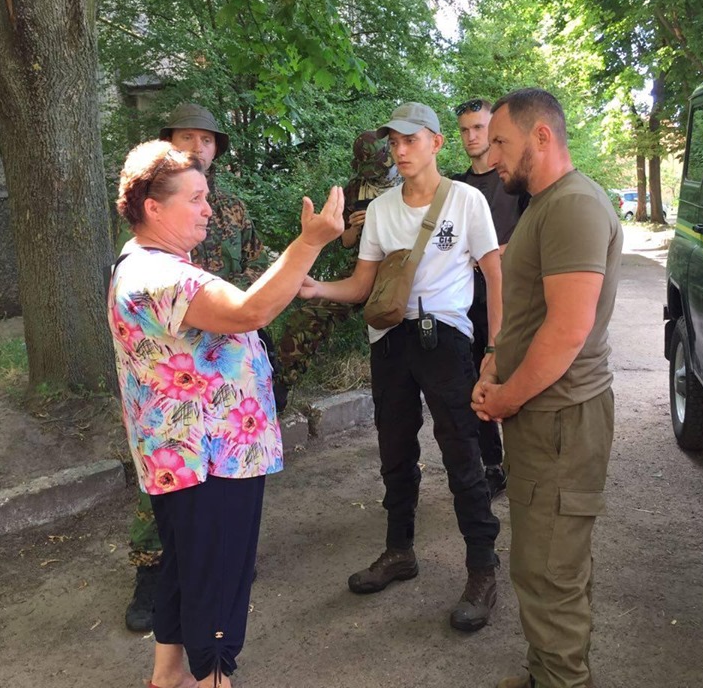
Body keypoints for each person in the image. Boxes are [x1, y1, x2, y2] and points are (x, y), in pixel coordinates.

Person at [109, 140, 343, 688]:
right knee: (216, 597)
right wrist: (309, 244)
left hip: (192, 462)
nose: (209, 209)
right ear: (153, 208)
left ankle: (167, 679)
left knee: (187, 576)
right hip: (208, 466)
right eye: (195, 198)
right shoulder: (160, 276)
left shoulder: (148, 266)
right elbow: (251, 311)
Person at [300, 102, 503, 632]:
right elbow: (363, 286)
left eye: (411, 139)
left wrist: (496, 346)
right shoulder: (384, 208)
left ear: (437, 143)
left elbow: (495, 274)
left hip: (446, 341)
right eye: (394, 141)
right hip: (390, 342)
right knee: (395, 450)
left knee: (462, 454)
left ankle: (483, 569)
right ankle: (399, 550)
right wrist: (317, 287)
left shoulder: (467, 200)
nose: (400, 149)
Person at [471, 89, 622, 688]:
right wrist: (494, 365)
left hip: (560, 418)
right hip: (545, 417)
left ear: (541, 137)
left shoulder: (573, 207)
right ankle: (545, 675)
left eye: (501, 141)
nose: (490, 152)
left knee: (550, 572)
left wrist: (507, 396)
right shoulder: (545, 203)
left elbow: (566, 329)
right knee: (545, 562)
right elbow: (531, 310)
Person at [125, 103, 274, 633]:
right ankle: (153, 572)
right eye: (187, 137)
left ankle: (202, 589)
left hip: (223, 376)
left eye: (207, 140)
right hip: (175, 377)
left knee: (216, 517)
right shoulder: (155, 213)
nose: (198, 147)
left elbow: (255, 271)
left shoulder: (228, 208)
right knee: (172, 494)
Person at [276, 130, 400, 386]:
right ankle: (280, 384)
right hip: (359, 267)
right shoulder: (355, 189)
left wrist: (381, 220)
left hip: (399, 268)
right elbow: (346, 242)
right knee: (308, 316)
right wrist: (354, 227)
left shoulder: (409, 183)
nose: (373, 175)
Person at [453, 98, 524, 500]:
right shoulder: (457, 189)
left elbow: (534, 231)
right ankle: (491, 464)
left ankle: (523, 460)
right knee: (475, 379)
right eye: (464, 130)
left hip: (513, 298)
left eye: (478, 128)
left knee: (514, 374)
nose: (471, 137)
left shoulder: (513, 180)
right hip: (467, 302)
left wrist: (498, 254)